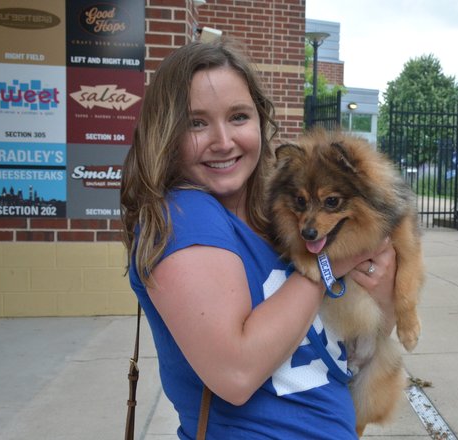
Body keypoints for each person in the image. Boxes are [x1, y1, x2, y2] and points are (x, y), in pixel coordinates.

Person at [120, 39, 398, 439]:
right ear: (166, 133)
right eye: (197, 122)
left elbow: (361, 338)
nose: (223, 140)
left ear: (259, 121)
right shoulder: (185, 216)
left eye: (238, 117)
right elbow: (236, 372)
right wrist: (329, 263)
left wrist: (381, 289)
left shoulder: (279, 216)